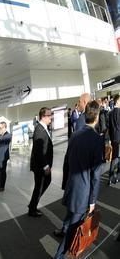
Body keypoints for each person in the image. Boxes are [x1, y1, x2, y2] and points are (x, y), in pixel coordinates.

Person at [54, 101, 103, 259]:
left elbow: (66, 162)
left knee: (70, 221)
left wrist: (65, 185)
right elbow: (96, 174)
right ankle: (59, 256)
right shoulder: (96, 140)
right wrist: (93, 200)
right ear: (96, 115)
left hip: (71, 188)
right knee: (73, 230)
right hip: (83, 194)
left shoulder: (75, 135)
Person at [28, 107, 53, 217]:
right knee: (39, 187)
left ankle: (32, 205)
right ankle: (32, 209)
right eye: (49, 115)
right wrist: (45, 166)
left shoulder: (43, 128)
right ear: (43, 116)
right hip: (40, 166)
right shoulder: (39, 129)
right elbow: (38, 151)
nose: (51, 117)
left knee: (42, 184)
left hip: (42, 164)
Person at [108, 94, 120, 185]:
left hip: (113, 139)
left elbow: (110, 128)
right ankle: (118, 177)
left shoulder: (110, 113)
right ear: (118, 101)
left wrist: (111, 139)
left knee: (114, 158)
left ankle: (110, 178)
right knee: (118, 158)